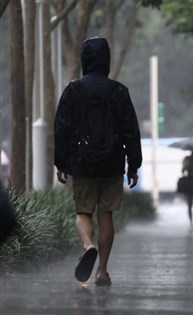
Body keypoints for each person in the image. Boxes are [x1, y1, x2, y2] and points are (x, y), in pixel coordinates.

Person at [54, 37, 142, 286]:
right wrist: (134, 164)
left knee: (83, 211)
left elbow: (61, 127)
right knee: (106, 216)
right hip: (112, 163)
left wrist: (61, 163)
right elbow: (130, 130)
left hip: (82, 163)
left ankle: (88, 244)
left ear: (84, 60)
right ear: (107, 60)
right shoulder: (119, 91)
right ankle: (102, 271)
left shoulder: (73, 90)